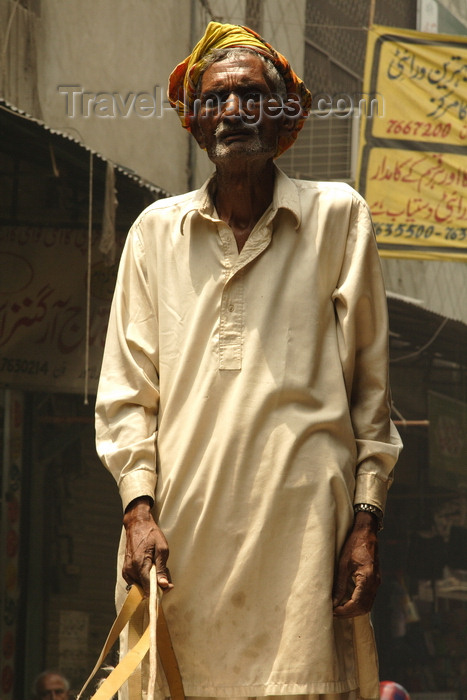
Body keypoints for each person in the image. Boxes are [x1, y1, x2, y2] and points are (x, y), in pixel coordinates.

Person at [95, 20, 402, 700]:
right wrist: (137, 511)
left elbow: (370, 398)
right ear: (194, 122)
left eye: (253, 95)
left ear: (285, 113)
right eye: (215, 99)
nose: (234, 111)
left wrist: (365, 520)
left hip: (303, 542)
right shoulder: (154, 233)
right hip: (180, 538)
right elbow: (125, 397)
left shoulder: (337, 218)